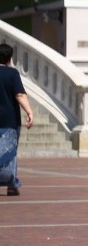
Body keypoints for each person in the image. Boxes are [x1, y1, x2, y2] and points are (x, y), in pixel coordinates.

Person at [0, 43, 34, 196]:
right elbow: (19, 95)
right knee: (9, 152)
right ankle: (11, 184)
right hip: (9, 120)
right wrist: (29, 112)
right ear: (10, 58)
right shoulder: (12, 74)